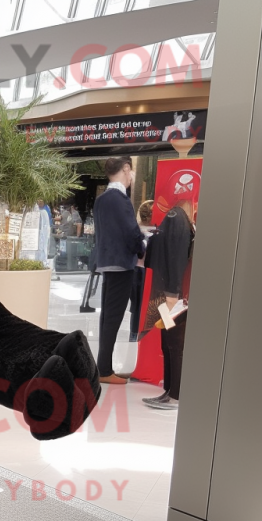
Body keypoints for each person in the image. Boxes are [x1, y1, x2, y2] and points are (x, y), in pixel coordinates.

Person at [91, 156, 146, 384]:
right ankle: (104, 370)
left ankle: (103, 367)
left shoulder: (101, 200)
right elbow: (132, 233)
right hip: (122, 264)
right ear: (126, 168)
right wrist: (142, 248)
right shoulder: (120, 199)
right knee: (113, 317)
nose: (132, 177)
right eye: (131, 171)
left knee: (107, 316)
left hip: (106, 262)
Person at [142, 200, 195, 410]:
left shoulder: (176, 219)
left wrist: (173, 291)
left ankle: (174, 395)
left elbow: (175, 257)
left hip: (171, 295)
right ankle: (170, 391)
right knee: (169, 341)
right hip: (171, 293)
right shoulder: (181, 220)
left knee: (173, 342)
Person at [129, 201, 156, 341]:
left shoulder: (135, 229)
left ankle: (134, 334)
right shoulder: (155, 231)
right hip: (146, 271)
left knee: (136, 307)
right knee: (143, 306)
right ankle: (140, 335)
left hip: (135, 270)